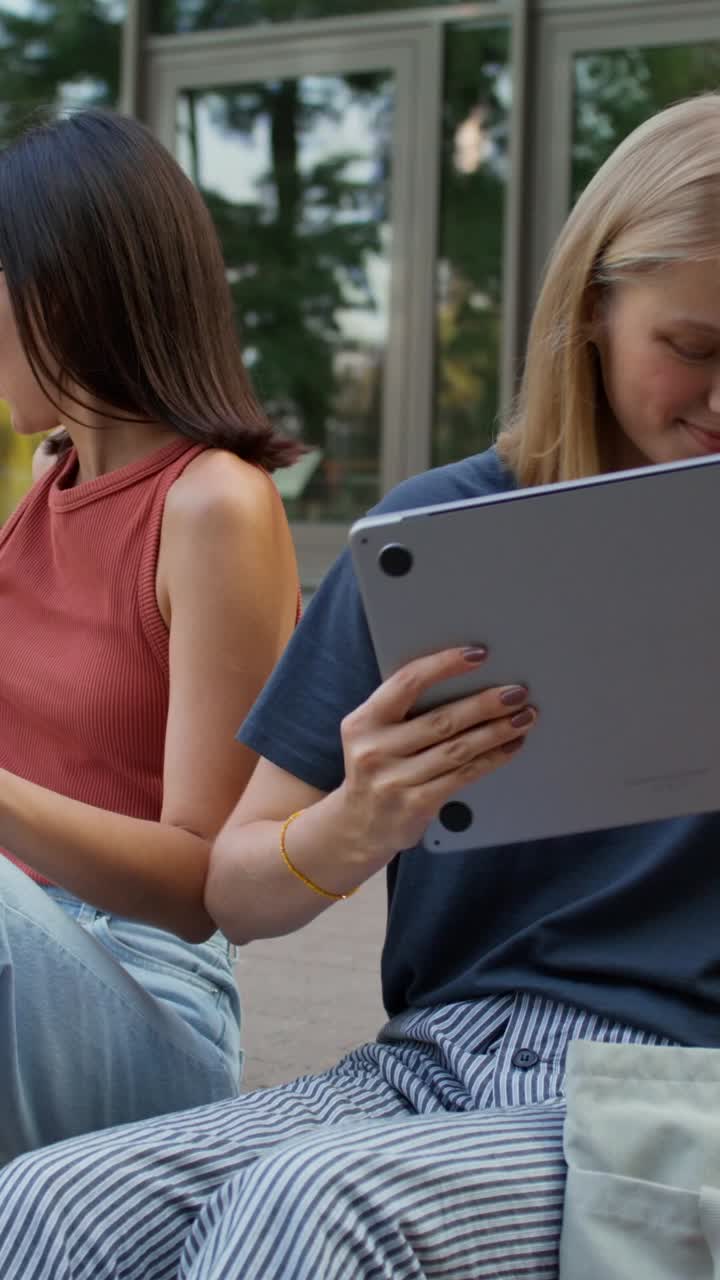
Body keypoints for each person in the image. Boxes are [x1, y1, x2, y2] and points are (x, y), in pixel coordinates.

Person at [0, 91, 719, 1279]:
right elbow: (236, 883)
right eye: (692, 347)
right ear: (593, 309)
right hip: (439, 1054)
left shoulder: (206, 504)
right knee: (44, 1206)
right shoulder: (436, 538)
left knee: (313, 1204)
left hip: (675, 1079)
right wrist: (353, 818)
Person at [0, 108, 301, 1161]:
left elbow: (196, 882)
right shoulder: (48, 484)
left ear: (63, 292)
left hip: (146, 996)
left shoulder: (216, 507)